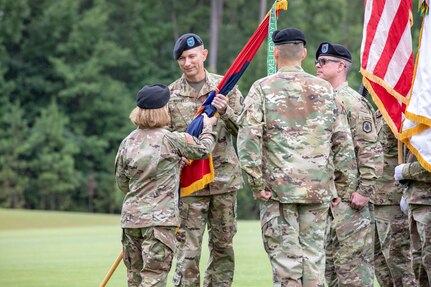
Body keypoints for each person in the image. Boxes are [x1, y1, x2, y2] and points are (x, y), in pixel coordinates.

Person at [237, 28, 357, 287]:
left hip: (278, 192)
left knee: (285, 264)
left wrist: (257, 184)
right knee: (314, 261)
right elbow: (343, 142)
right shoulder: (325, 90)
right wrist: (341, 186)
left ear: (276, 53)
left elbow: (248, 140)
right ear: (303, 53)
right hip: (317, 191)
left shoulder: (262, 89)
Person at [114, 84, 217, 287]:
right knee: (154, 278)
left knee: (134, 279)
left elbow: (122, 183)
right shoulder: (171, 139)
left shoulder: (127, 142)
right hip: (159, 223)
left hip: (131, 220)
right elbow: (204, 149)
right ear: (162, 109)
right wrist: (208, 127)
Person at [168, 33, 244, 287]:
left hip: (223, 182)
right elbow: (164, 141)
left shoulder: (226, 87)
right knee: (187, 253)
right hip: (190, 186)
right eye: (182, 58)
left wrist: (226, 111)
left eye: (192, 56)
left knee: (223, 248)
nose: (188, 62)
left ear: (204, 54)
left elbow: (245, 131)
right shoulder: (169, 96)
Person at [315, 42, 383, 287]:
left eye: (324, 62)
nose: (318, 66)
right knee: (329, 270)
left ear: (341, 66)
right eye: (317, 61)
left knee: (353, 272)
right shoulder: (322, 100)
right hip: (327, 200)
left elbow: (370, 150)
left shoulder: (353, 103)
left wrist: (364, 191)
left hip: (350, 200)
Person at [374, 111, 417, 286]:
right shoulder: (379, 110)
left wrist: (407, 190)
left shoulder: (403, 109)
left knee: (400, 265)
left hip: (395, 197)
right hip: (376, 198)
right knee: (381, 266)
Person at [395, 152, 431, 286]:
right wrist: (406, 193)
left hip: (426, 204)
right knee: (419, 265)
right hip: (417, 203)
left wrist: (405, 171)